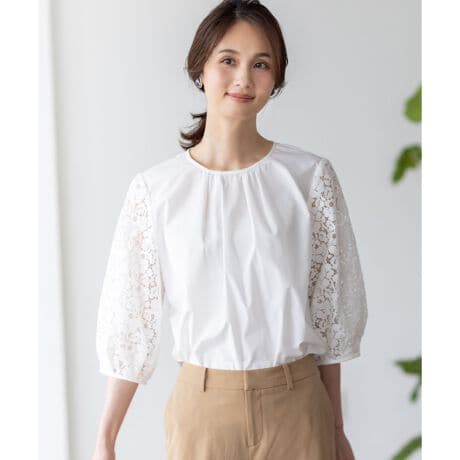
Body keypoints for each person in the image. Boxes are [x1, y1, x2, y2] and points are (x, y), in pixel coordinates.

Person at [92, 1, 368, 459]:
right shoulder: (156, 191)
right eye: (228, 60)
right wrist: (105, 439)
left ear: (276, 79)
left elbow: (330, 315)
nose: (243, 78)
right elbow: (131, 321)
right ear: (199, 69)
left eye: (261, 64)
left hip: (298, 406)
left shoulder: (309, 178)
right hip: (201, 410)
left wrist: (336, 430)